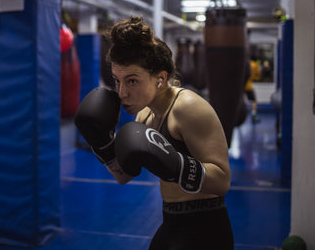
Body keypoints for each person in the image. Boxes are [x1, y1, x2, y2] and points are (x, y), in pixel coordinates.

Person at [75, 16, 233, 249]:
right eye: (117, 81)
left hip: (207, 227)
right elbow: (124, 176)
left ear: (160, 78)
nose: (121, 93)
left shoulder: (187, 107)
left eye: (132, 81)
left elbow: (222, 182)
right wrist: (104, 145)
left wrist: (175, 165)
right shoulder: (144, 117)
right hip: (171, 221)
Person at [244, 57, 261, 124]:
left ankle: (236, 115)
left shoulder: (244, 64)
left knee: (239, 101)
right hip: (248, 85)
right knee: (254, 101)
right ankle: (253, 115)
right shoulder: (254, 64)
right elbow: (258, 74)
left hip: (242, 85)